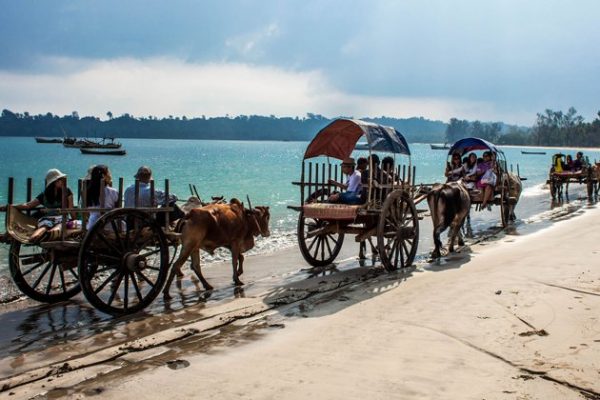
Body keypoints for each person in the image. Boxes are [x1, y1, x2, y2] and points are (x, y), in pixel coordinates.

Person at [0, 169, 75, 242]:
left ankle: (37, 237)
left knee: (48, 226)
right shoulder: (50, 194)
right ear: (54, 182)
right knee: (50, 226)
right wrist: (9, 206)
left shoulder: (56, 193)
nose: (62, 181)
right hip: (55, 219)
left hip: (54, 219)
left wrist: (74, 220)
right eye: (60, 179)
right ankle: (36, 238)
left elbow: (28, 205)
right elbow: (28, 205)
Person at [85, 165, 119, 230]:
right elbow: (117, 211)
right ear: (104, 176)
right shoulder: (113, 192)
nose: (110, 176)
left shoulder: (87, 192)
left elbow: (86, 212)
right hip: (110, 225)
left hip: (92, 225)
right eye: (109, 173)